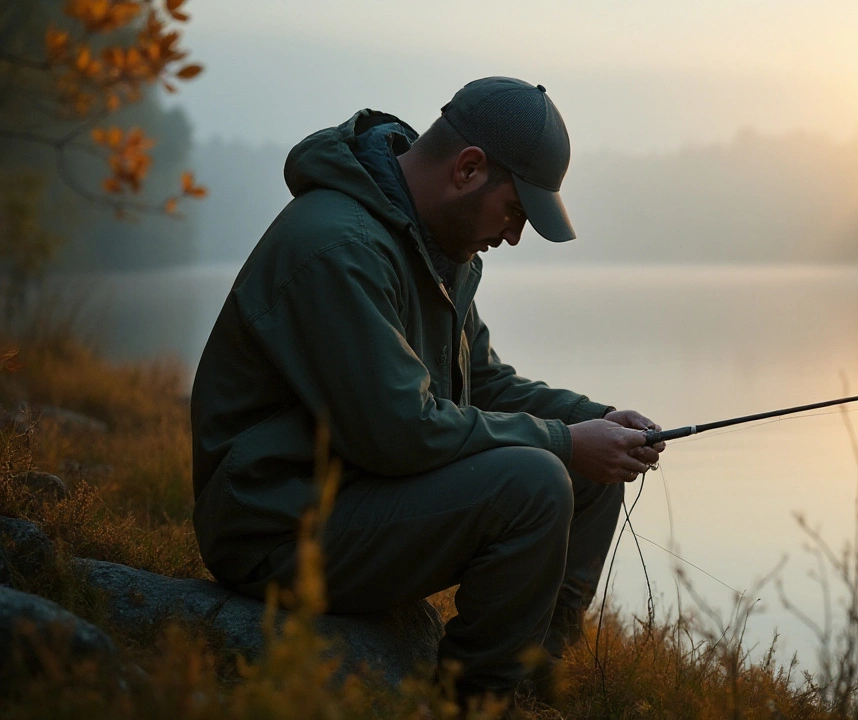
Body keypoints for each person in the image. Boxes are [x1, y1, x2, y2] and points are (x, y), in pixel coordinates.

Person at [189, 76, 664, 708]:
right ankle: (471, 702)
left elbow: (485, 381)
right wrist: (565, 443)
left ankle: (530, 680)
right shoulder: (339, 248)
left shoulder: (431, 246)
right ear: (469, 169)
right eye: (516, 211)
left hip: (353, 489)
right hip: (276, 527)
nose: (515, 235)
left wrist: (593, 421)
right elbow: (400, 432)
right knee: (537, 481)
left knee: (589, 472)